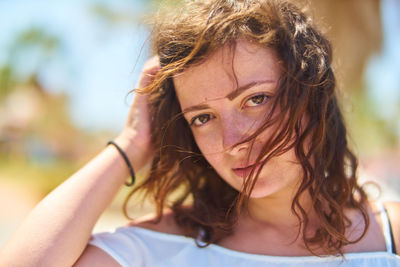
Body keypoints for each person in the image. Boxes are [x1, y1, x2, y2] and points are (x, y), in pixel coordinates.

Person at [0, 0, 399, 266]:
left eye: (255, 99)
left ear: (309, 92)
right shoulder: (162, 247)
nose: (233, 141)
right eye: (202, 118)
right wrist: (132, 144)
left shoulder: (388, 235)